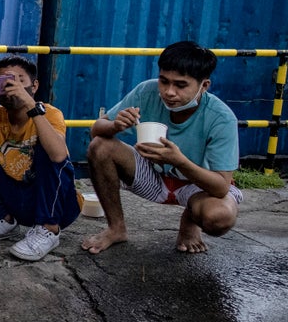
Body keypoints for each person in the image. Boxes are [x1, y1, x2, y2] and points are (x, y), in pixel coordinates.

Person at [81, 41, 241, 255]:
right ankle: (116, 228)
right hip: (152, 176)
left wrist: (179, 161)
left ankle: (190, 219)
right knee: (100, 146)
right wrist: (115, 125)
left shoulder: (221, 118)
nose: (169, 92)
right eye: (163, 81)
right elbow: (96, 131)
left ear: (204, 86)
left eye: (180, 85)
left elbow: (221, 186)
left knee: (220, 217)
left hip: (197, 187)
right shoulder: (146, 92)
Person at [0, 56, 81, 261]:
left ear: (34, 86)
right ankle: (2, 219)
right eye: (4, 82)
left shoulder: (50, 113)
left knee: (49, 148)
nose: (12, 87)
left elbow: (58, 155)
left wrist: (30, 104)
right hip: (17, 198)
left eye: (19, 80)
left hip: (58, 205)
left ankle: (48, 229)